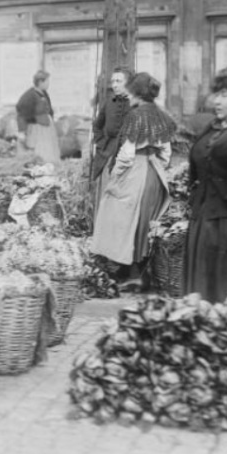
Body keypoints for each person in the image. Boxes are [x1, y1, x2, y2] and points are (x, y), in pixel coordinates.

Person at [91, 72, 175, 289]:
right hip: (154, 172)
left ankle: (127, 270)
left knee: (122, 218)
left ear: (136, 93)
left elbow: (127, 153)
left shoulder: (135, 116)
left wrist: (116, 177)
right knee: (146, 221)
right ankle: (140, 270)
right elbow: (166, 151)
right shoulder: (161, 115)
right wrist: (158, 168)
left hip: (135, 170)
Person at [184, 66, 227, 303]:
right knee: (201, 294)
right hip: (204, 222)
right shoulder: (212, 127)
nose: (217, 101)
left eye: (225, 95)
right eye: (216, 94)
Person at [92, 66, 133, 213]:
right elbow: (97, 126)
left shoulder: (135, 105)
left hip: (126, 159)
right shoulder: (109, 102)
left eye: (118, 81)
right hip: (107, 154)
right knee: (105, 195)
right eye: (113, 81)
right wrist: (102, 144)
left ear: (128, 84)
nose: (114, 85)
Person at [16, 70, 61, 165]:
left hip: (47, 129)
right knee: (40, 153)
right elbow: (22, 114)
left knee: (49, 152)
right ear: (40, 82)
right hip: (37, 129)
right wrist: (22, 132)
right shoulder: (29, 96)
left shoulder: (44, 93)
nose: (48, 84)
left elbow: (49, 108)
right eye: (47, 81)